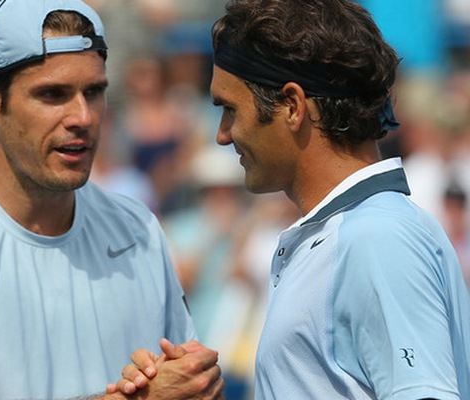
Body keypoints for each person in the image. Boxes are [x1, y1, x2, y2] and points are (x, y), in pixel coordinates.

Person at [0, 0, 224, 399]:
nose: (82, 116)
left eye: (94, 92)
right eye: (53, 94)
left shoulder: (137, 228)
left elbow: (190, 385)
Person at [113, 0, 470, 399]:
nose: (222, 134)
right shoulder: (353, 232)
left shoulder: (377, 237)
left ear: (293, 107)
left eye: (230, 109)